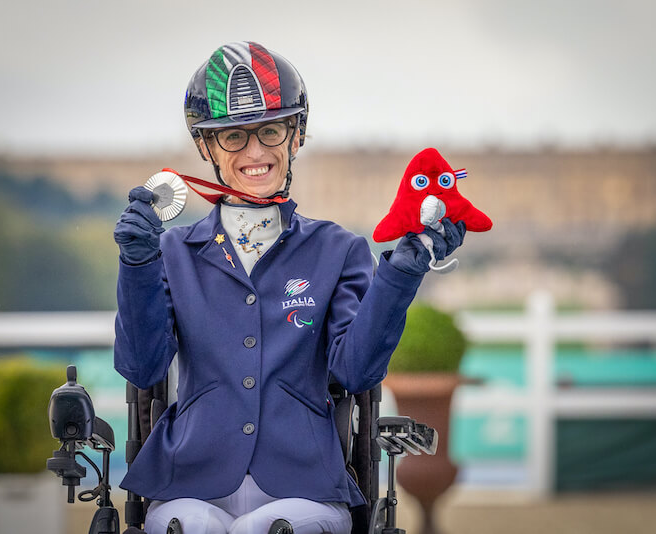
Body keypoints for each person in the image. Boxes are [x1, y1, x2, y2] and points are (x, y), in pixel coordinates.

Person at [112, 41, 466, 534]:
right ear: (207, 147)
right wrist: (137, 267)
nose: (255, 152)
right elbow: (142, 365)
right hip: (189, 477)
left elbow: (356, 370)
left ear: (295, 136)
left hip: (303, 481)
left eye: (270, 131)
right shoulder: (171, 252)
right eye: (233, 136)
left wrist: (400, 275)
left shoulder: (338, 249)